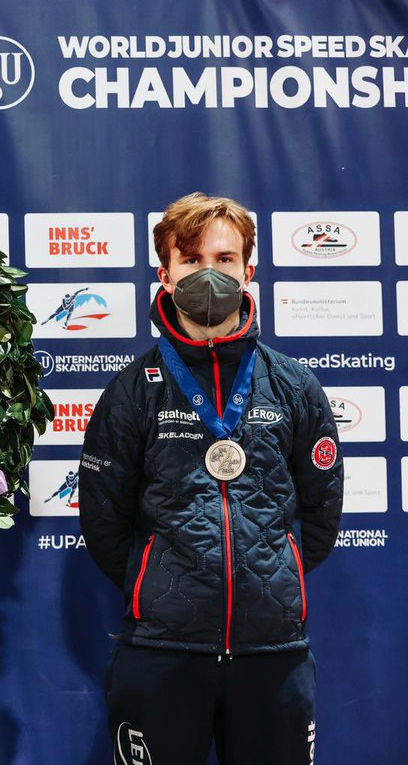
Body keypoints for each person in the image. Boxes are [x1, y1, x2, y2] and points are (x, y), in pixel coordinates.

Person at [78, 192, 343, 765]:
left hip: (272, 651)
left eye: (224, 260)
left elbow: (321, 513)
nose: (209, 273)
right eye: (192, 260)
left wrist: (274, 573)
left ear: (249, 269)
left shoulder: (294, 387)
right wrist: (157, 580)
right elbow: (104, 521)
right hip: (162, 651)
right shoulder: (132, 390)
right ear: (165, 273)